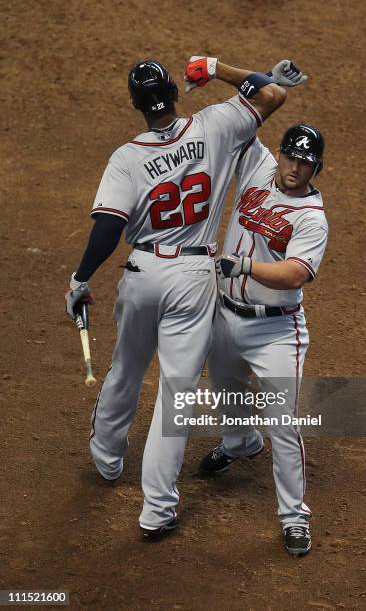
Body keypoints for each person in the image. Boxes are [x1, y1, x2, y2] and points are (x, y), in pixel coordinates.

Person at [64, 55, 307, 538]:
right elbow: (272, 93)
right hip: (195, 272)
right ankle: (157, 511)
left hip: (143, 269)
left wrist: (80, 278)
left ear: (136, 105)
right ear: (176, 93)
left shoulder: (126, 157)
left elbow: (109, 226)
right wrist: (216, 68)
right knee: (176, 393)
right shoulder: (214, 123)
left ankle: (108, 459)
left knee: (126, 367)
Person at [199, 124, 328, 556]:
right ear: (280, 154)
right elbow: (248, 111)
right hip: (225, 315)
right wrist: (220, 70)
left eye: (304, 163)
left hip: (276, 329)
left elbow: (295, 272)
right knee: (226, 393)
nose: (293, 168)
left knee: (284, 425)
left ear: (316, 168)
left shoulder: (311, 216)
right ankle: (240, 444)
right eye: (289, 157)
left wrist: (245, 267)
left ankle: (294, 516)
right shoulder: (259, 165)